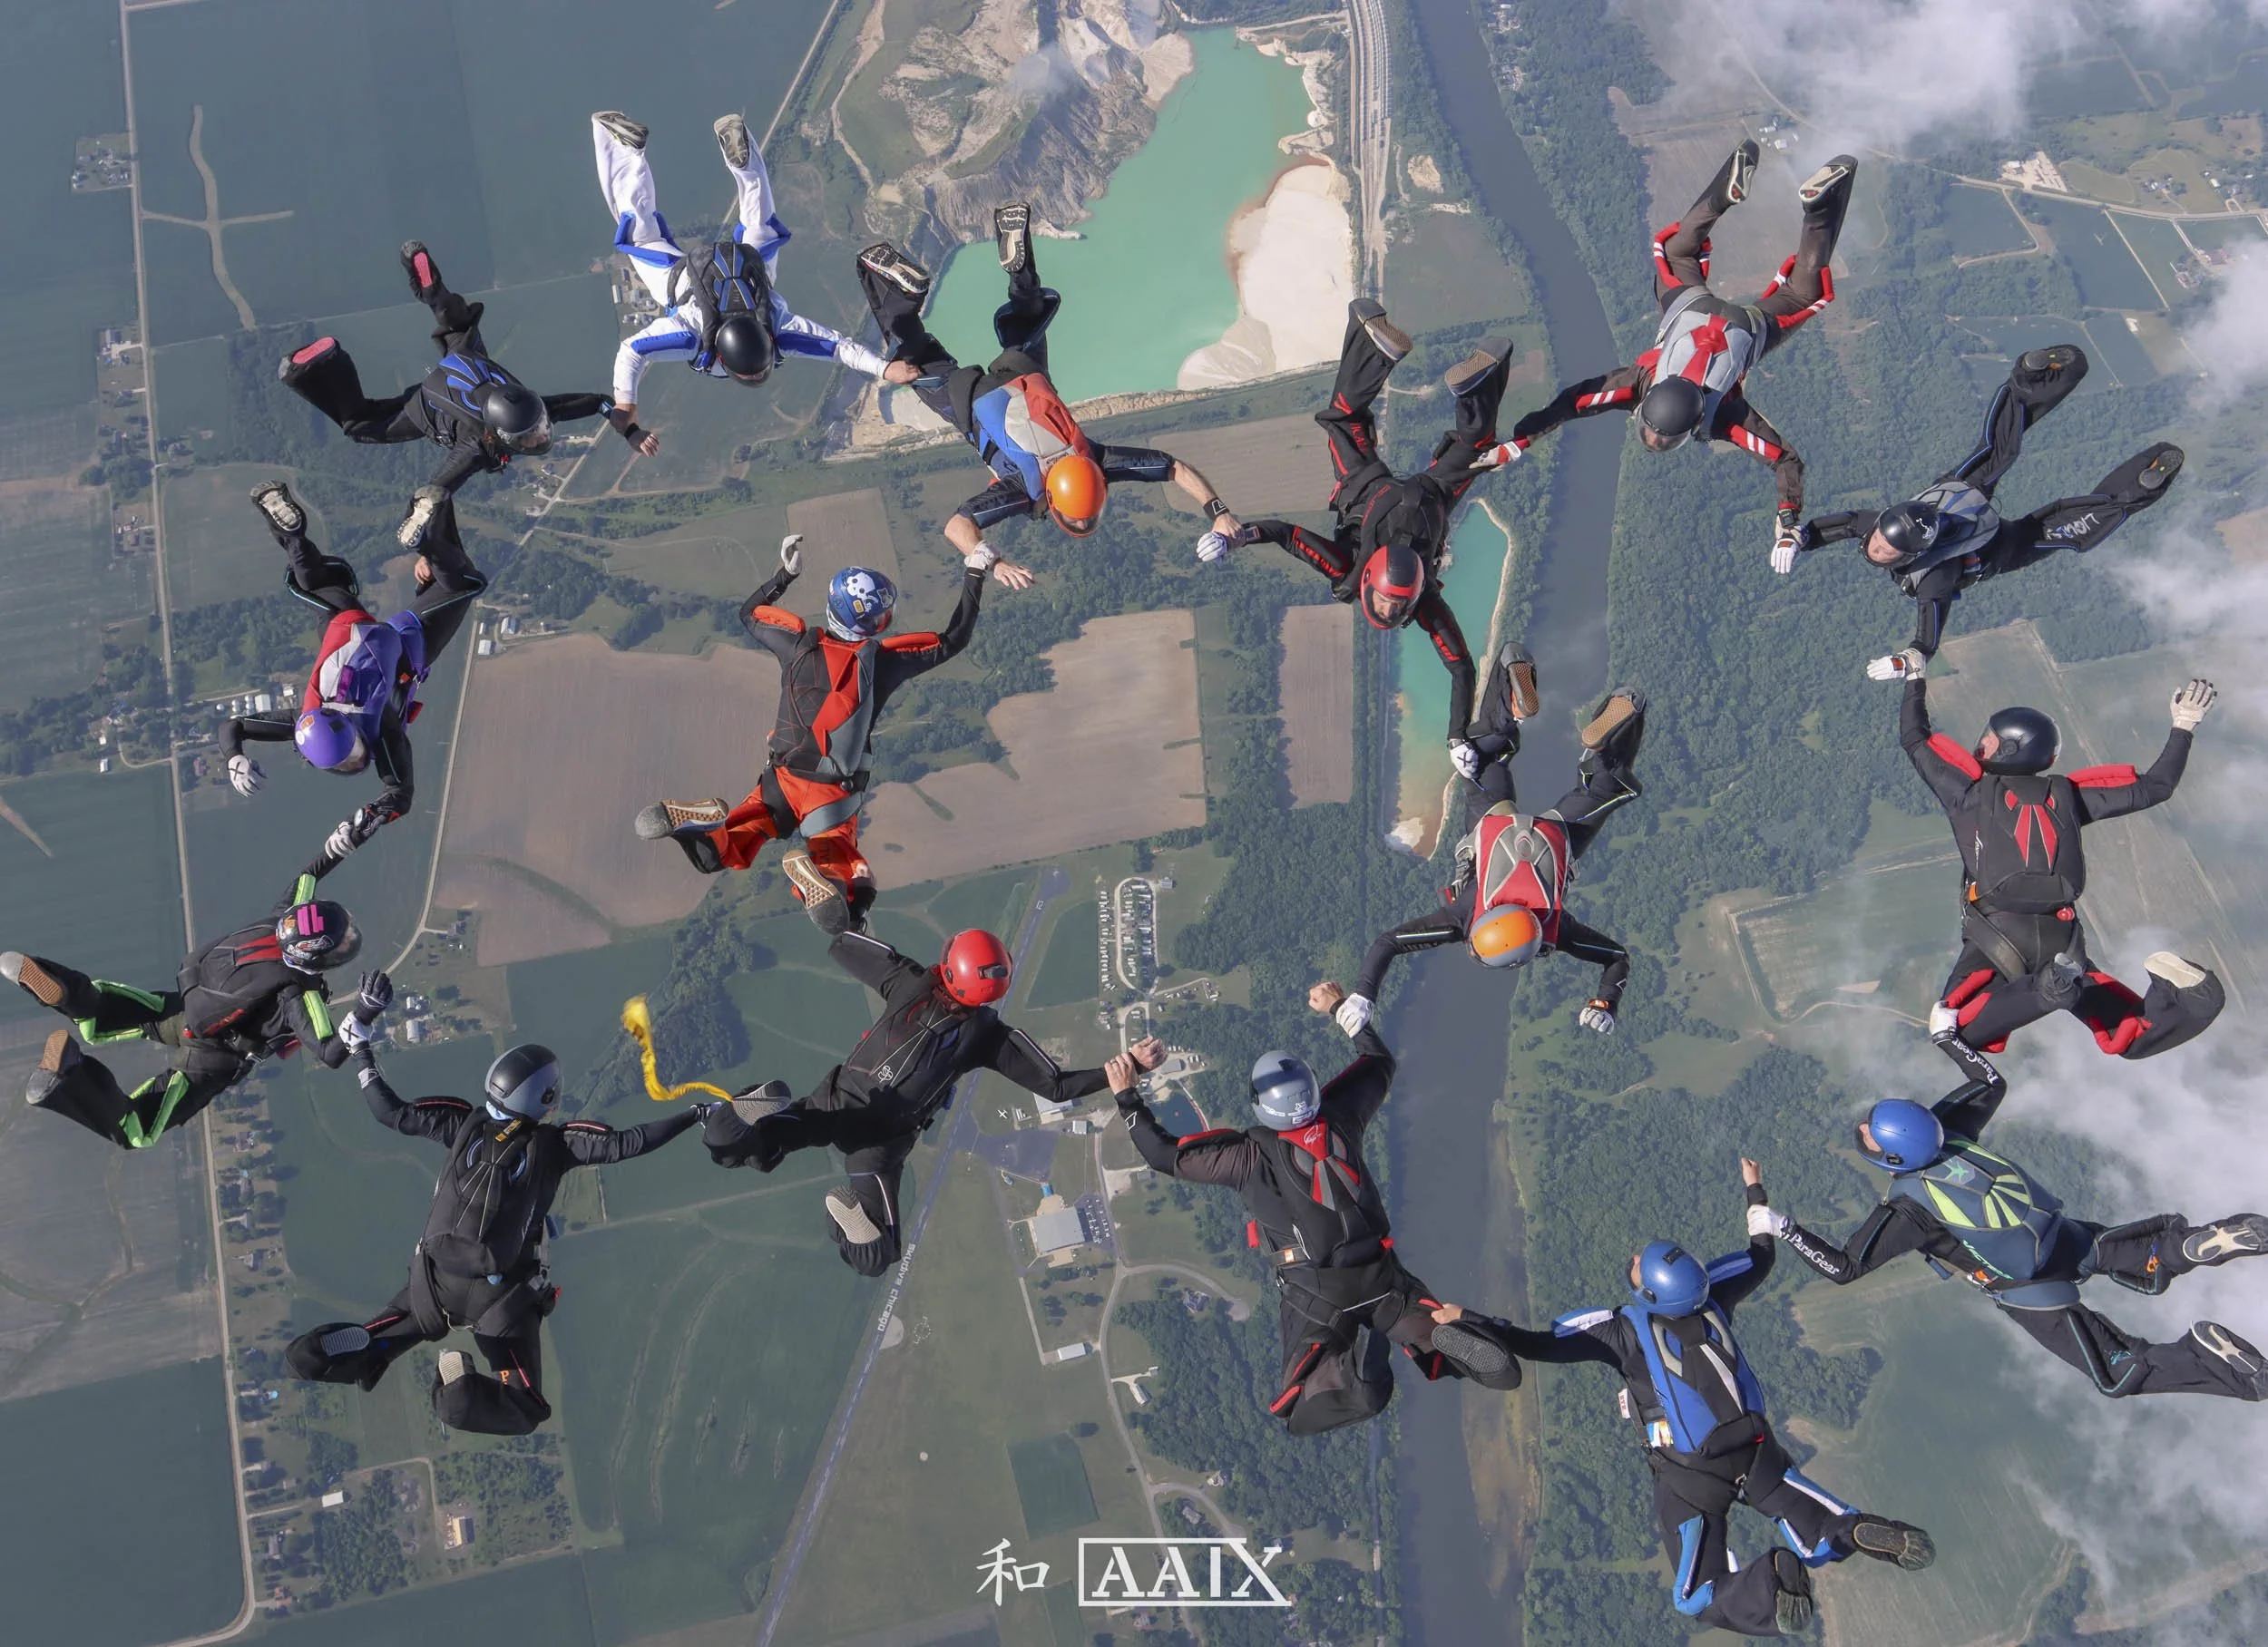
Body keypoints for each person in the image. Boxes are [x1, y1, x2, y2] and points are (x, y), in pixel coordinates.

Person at [1433, 1163, 1934, 1637]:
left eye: (1637, 1268)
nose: (1632, 1262)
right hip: (1758, 1450)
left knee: (1695, 1594)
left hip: (1691, 1475)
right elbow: (1761, 1252)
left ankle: (1772, 1583)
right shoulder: (1714, 1294)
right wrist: (1754, 1190)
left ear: (1649, 1295)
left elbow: (1535, 1342)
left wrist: (1469, 1319)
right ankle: (1854, 1528)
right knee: (1819, 1530)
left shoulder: (1619, 1330)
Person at [1110, 981, 1525, 1434]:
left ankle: (1356, 1383)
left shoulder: (1246, 1154)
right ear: (1309, 1090)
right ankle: (1453, 1342)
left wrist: (1128, 1095)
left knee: (1297, 1411)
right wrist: (1339, 1007)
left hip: (1316, 1291)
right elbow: (1378, 1063)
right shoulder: (1341, 1114)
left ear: (1261, 1105)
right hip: (1383, 1275)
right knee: (1427, 1325)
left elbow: (1163, 1154)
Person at [1769, 1066, 2268, 1401]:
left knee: (2117, 1373)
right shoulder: (1952, 1130)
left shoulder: (1908, 1209)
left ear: (1893, 1158)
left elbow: (1844, 1268)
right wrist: (1949, 1035)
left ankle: (2220, 1366)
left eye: (1870, 1133)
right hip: (2061, 1234)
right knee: (2126, 1252)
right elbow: (1991, 1080)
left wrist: (1781, 1227)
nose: (1862, 1130)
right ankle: (2183, 1246)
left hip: (2027, 1286)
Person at [288, 1040, 703, 1435]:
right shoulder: (556, 1146)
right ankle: (457, 1395)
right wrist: (696, 1114)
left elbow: (389, 1111)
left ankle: (315, 1355)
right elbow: (629, 1143)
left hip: (431, 1287)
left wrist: (361, 1053)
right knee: (525, 1409)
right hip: (502, 1305)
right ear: (544, 1099)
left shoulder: (462, 1122)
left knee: (375, 1345)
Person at [1495, 142, 1858, 566]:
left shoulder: (1722, 414)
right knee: (1676, 252)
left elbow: (1785, 459)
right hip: (1691, 306)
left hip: (1747, 326)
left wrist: (1788, 525)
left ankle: (1816, 210)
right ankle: (1740, 194)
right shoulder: (1635, 388)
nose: (1652, 439)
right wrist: (1519, 441)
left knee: (1803, 291)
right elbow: (1572, 403)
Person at [695, 928, 1119, 1276]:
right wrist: (1121, 1070)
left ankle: (740, 1123)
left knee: (733, 1147)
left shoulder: (910, 981)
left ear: (952, 967)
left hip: (834, 1104)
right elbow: (1057, 1086)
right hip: (878, 1146)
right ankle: (849, 1219)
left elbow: (841, 942)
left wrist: (847, 890)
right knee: (876, 1257)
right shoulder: (989, 1037)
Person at [856, 206, 1243, 576]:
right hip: (971, 399)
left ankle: (1019, 266)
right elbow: (957, 527)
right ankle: (900, 295)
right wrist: (994, 563)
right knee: (911, 358)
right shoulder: (1023, 492)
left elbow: (1174, 467)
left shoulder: (1098, 461)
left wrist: (1219, 511)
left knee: (1027, 319)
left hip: (1024, 376)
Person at [631, 532, 986, 929]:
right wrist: (975, 571)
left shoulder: (797, 643)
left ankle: (706, 827)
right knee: (849, 877)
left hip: (780, 779)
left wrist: (785, 574)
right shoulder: (880, 662)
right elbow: (955, 639)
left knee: (723, 854)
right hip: (831, 793)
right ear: (876, 622)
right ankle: (814, 883)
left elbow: (750, 614)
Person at [1787, 344, 2184, 673]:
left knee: (2061, 529)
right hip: (1960, 494)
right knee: (1997, 448)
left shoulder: (1934, 576)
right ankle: (2027, 381)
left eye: (1884, 548)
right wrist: (1797, 538)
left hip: (2000, 548)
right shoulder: (1883, 523)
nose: (1877, 548)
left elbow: (1929, 629)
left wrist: (1909, 659)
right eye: (1880, 545)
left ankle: (2134, 490)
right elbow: (1837, 526)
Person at [1900, 664, 2224, 1063]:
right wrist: (2184, 725)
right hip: (2061, 936)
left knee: (1961, 1031)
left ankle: (2050, 990)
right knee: (2130, 1036)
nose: (1978, 747)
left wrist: (1914, 677)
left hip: (1997, 936)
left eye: (1987, 740)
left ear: (2008, 748)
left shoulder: (1968, 793)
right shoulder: (2068, 795)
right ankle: (2194, 998)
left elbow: (1916, 739)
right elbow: (2156, 787)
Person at [1230, 298, 1515, 751]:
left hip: (1427, 500)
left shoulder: (1422, 603)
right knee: (1342, 421)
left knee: (1476, 447)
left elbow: (1463, 667)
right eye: (1392, 606)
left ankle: (1479, 385)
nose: (1390, 609)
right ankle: (1371, 343)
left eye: (1386, 605)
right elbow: (1288, 536)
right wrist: (1240, 536)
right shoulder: (1346, 571)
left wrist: (1458, 735)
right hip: (1369, 489)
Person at [2, 841, 368, 1149]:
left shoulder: (278, 920)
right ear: (317, 955)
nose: (347, 941)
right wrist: (366, 1009)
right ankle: (67, 1080)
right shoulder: (299, 994)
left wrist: (350, 835)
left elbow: (308, 875)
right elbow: (331, 1052)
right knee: (138, 1131)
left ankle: (63, 991)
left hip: (186, 1007)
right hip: (213, 1061)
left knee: (103, 1012)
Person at [1339, 690, 1647, 1037]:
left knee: (1605, 789)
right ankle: (1508, 705)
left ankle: (1608, 751)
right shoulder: (1462, 918)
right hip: (1495, 825)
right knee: (1484, 759)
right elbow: (1388, 943)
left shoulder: (1553, 931)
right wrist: (1363, 995)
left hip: (1555, 838)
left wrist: (1605, 1003)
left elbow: (1617, 957)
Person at [279, 241, 656, 519]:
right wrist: (419, 532)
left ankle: (428, 283)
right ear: (501, 435)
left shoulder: (530, 409)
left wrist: (628, 430)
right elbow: (435, 489)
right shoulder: (475, 446)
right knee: (359, 425)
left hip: (467, 365)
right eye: (533, 436)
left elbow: (595, 402)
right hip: (428, 406)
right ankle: (309, 370)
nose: (540, 436)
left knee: (459, 324)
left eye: (538, 430)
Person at [590, 111, 919, 424]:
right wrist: (625, 403)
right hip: (682, 280)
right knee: (641, 233)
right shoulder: (691, 335)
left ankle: (745, 166)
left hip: (750, 268)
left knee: (760, 224)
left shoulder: (778, 329)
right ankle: (626, 150)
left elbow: (838, 348)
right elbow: (632, 350)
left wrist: (886, 369)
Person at [219, 480, 487, 859]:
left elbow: (400, 795)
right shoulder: (306, 721)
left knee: (463, 582)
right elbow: (234, 727)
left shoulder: (383, 730)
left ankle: (428, 537)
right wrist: (234, 758)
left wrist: (362, 825)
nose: (359, 758)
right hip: (348, 626)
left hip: (407, 645)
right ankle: (291, 533)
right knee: (316, 580)